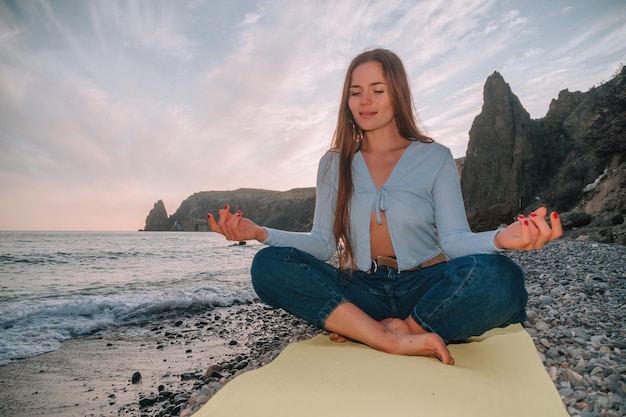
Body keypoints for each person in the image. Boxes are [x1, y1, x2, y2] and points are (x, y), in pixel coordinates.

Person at [207, 48, 562, 365]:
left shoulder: (435, 158)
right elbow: (322, 244)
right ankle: (384, 336)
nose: (365, 101)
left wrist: (502, 238)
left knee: (502, 278)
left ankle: (397, 327)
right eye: (355, 92)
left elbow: (454, 240)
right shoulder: (333, 164)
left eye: (377, 90)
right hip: (362, 289)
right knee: (268, 265)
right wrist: (260, 233)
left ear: (397, 95)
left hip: (423, 285)